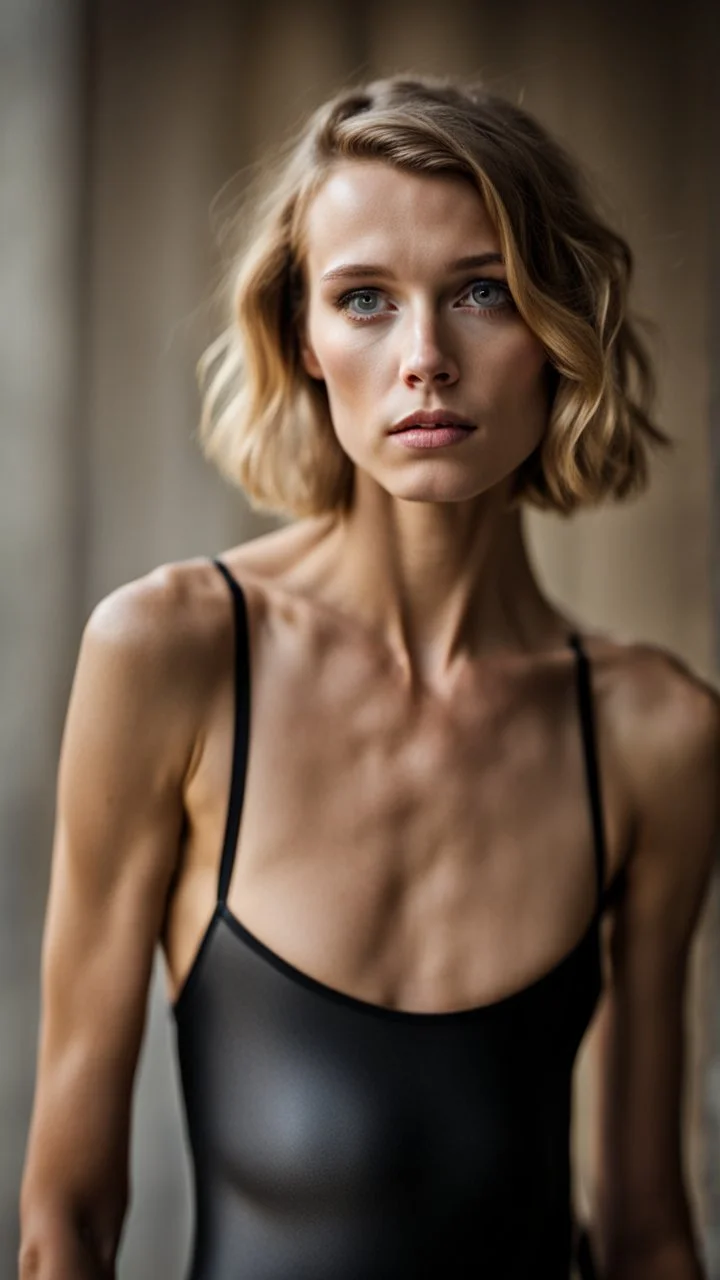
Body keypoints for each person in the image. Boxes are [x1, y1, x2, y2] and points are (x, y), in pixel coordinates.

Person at [18, 74, 719, 1280]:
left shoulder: (656, 733)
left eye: (483, 291)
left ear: (558, 329)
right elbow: (63, 1225)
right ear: (304, 337)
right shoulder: (169, 655)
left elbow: (649, 1231)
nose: (425, 360)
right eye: (365, 300)